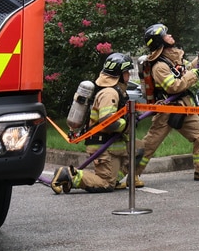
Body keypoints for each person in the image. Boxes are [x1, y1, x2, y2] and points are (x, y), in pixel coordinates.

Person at [134, 23, 199, 181]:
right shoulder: (159, 66)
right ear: (160, 42)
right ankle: (131, 174)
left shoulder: (172, 59)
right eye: (166, 35)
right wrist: (195, 73)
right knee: (150, 145)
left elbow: (185, 70)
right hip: (166, 110)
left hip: (183, 107)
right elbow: (174, 86)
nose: (170, 36)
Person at [49, 52, 135, 194]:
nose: (129, 76)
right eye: (126, 72)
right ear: (119, 75)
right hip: (103, 146)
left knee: (140, 149)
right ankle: (69, 175)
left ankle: (114, 178)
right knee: (106, 184)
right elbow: (108, 120)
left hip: (114, 145)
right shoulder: (109, 93)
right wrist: (126, 124)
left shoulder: (117, 92)